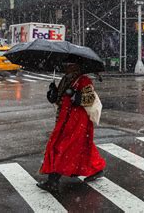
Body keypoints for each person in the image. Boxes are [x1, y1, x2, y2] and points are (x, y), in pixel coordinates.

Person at [37, 63, 106, 193]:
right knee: (82, 147)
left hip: (77, 121)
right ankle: (97, 168)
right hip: (64, 119)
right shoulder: (65, 79)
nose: (66, 67)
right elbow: (60, 100)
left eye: (69, 65)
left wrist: (76, 96)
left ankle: (53, 181)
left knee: (63, 148)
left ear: (76, 67)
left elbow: (90, 99)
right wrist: (53, 93)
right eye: (66, 65)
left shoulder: (83, 80)